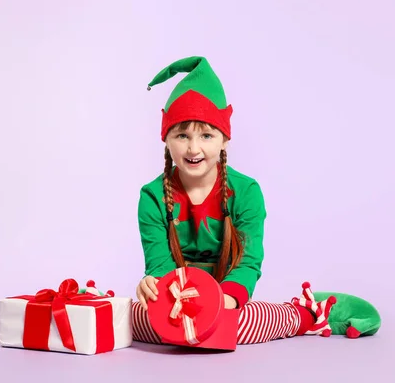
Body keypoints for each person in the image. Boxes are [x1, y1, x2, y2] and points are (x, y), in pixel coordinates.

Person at [132, 56, 334, 345]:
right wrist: (154, 287)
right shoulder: (151, 196)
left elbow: (248, 262)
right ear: (166, 138)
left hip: (226, 301)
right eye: (181, 135)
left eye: (206, 135)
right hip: (176, 304)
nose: (193, 148)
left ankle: (307, 314)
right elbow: (159, 264)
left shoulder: (247, 192)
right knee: (133, 317)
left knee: (243, 325)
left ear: (224, 139)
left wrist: (221, 304)